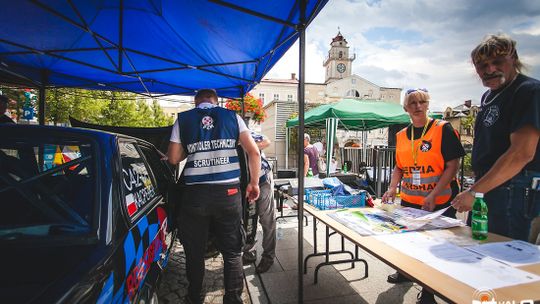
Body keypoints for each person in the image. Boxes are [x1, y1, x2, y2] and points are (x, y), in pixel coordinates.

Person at [167, 89, 261, 304]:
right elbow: (254, 152)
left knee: (194, 252)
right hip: (227, 193)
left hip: (195, 195)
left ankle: (194, 298)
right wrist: (254, 183)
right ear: (215, 102)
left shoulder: (183, 119)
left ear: (196, 102)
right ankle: (233, 299)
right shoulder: (232, 117)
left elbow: (173, 158)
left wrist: (191, 149)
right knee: (232, 251)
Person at [452, 34, 540, 243]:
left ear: (514, 59)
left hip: (514, 191)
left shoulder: (528, 91)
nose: (489, 69)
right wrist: (478, 190)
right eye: (482, 65)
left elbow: (521, 154)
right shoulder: (488, 96)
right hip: (490, 189)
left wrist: (474, 192)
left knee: (505, 260)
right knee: (477, 247)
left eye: (497, 62)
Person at [381, 88, 465, 304]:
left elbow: (453, 165)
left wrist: (434, 195)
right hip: (410, 200)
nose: (418, 106)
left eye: (422, 102)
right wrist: (392, 188)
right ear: (406, 108)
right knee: (407, 241)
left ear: (428, 104)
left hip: (439, 201)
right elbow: (399, 167)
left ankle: (429, 292)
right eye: (413, 103)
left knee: (433, 248)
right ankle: (406, 273)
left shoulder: (442, 129)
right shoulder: (401, 135)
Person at [242, 131, 276, 273]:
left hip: (262, 180)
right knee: (250, 218)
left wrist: (247, 147)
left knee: (267, 220)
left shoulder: (243, 131)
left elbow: (267, 140)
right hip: (245, 184)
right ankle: (250, 252)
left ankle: (268, 257)